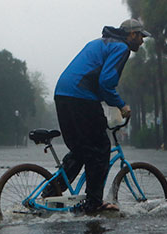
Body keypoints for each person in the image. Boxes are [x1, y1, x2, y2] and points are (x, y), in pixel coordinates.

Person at [51, 19, 150, 214]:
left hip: (62, 94)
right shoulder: (121, 48)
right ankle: (94, 203)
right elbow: (106, 83)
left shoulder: (100, 42)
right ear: (131, 35)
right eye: (140, 36)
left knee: (81, 150)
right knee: (101, 148)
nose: (142, 41)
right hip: (80, 96)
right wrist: (121, 105)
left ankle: (49, 192)